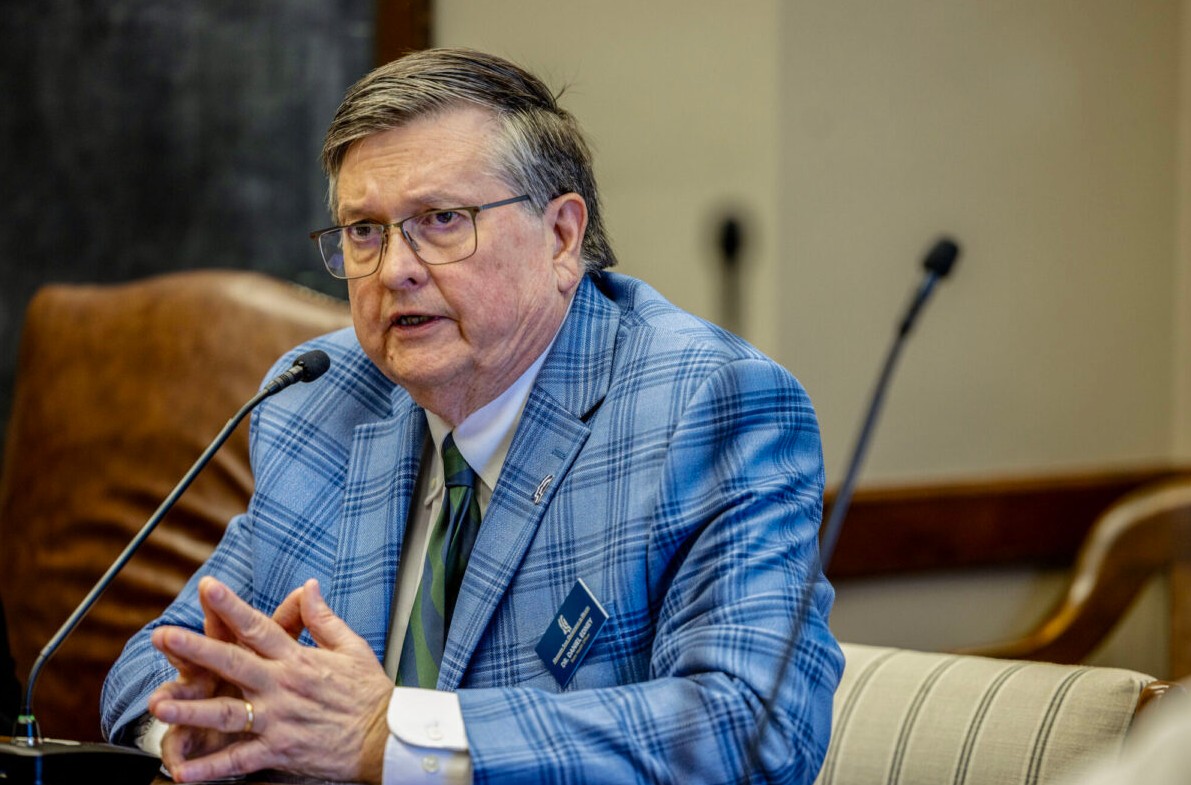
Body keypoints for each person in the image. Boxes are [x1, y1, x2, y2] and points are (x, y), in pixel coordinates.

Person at [100, 47, 842, 784]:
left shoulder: (707, 406)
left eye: (442, 219)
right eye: (364, 230)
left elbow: (755, 727)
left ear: (561, 237)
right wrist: (209, 722)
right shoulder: (317, 399)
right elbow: (152, 664)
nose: (395, 269)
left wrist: (388, 736)